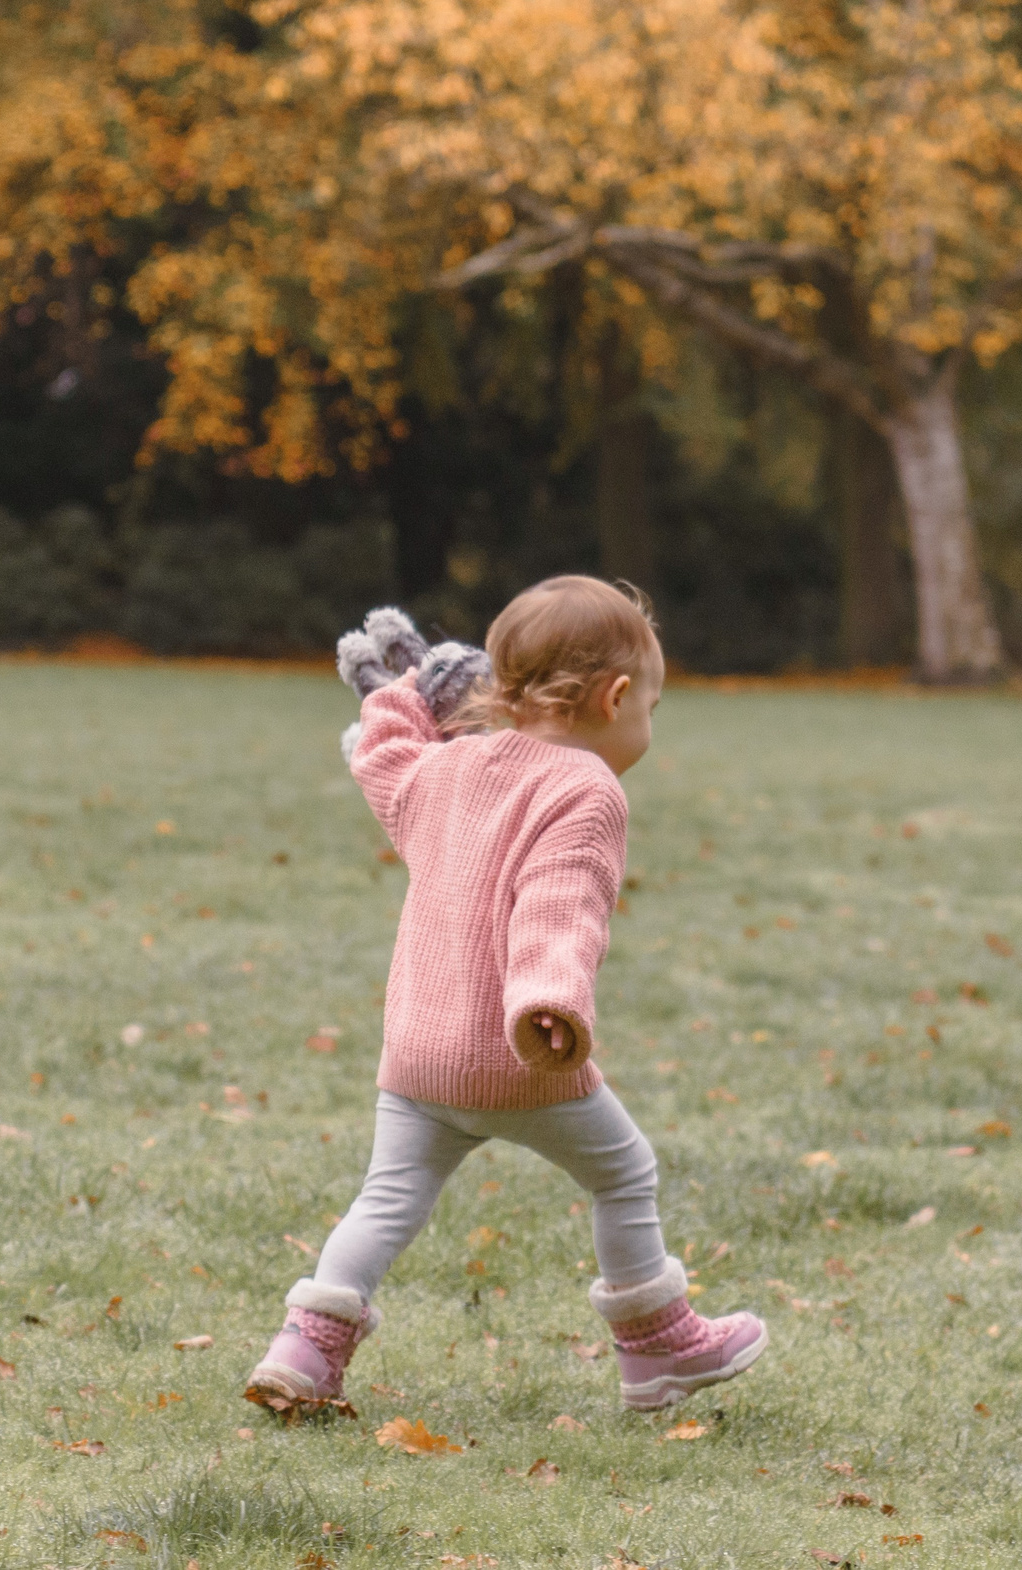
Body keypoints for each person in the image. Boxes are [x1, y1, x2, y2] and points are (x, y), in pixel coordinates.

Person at [246, 576, 768, 1418]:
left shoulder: (445, 767)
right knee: (625, 1173)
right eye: (653, 709)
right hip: (515, 1052)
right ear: (617, 695)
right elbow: (559, 905)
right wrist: (549, 1002)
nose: (647, 728)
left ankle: (304, 1349)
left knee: (385, 1201)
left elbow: (382, 759)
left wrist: (404, 693)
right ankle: (657, 1347)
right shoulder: (585, 789)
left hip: (416, 1054)